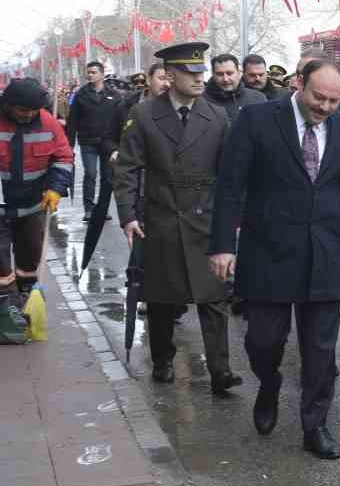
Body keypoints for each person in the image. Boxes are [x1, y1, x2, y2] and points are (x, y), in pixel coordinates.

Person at [209, 58, 340, 460]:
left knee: (320, 350)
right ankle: (270, 383)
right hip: (268, 252)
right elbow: (230, 186)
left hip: (325, 254)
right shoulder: (257, 119)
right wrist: (223, 244)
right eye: (319, 97)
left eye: (334, 100)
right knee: (263, 341)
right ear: (298, 84)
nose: (326, 107)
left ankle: (316, 425)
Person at [112, 43, 240, 392]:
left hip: (204, 219)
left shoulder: (216, 116)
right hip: (161, 217)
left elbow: (229, 176)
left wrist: (232, 219)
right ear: (169, 76)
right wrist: (127, 216)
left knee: (214, 297)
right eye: (191, 73)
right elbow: (126, 170)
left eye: (202, 72)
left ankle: (220, 371)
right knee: (162, 299)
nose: (200, 79)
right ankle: (164, 359)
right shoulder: (143, 114)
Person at [0, 79, 72, 333]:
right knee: (1, 264)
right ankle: (7, 309)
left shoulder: (48, 123)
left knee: (29, 258)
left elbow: (63, 157)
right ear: (9, 105)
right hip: (1, 205)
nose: (27, 115)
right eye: (22, 110)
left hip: (33, 205)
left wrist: (56, 188)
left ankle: (27, 300)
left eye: (32, 110)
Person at [66, 60, 120, 208]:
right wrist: (69, 145)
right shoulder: (81, 95)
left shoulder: (114, 95)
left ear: (102, 74)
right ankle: (89, 208)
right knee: (90, 174)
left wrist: (120, 144)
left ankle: (103, 208)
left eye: (93, 72)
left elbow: (120, 119)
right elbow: (72, 121)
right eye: (88, 72)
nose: (90, 75)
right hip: (87, 141)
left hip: (107, 142)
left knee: (107, 178)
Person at [202, 52, 267, 120]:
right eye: (220, 74)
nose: (225, 79)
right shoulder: (201, 100)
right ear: (213, 74)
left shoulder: (257, 98)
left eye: (229, 73)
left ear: (238, 73)